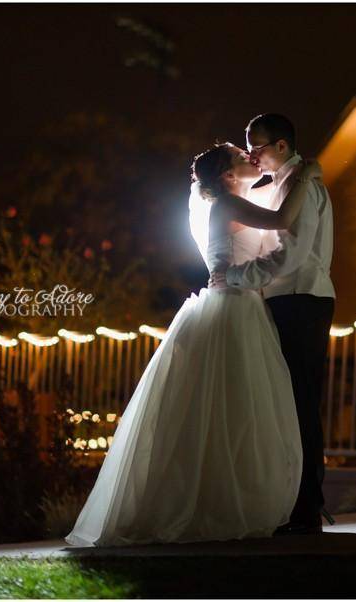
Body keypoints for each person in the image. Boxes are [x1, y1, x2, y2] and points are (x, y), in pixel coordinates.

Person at [65, 143, 321, 546]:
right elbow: (283, 217)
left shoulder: (234, 201)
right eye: (242, 158)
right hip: (232, 309)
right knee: (226, 407)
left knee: (235, 411)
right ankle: (212, 505)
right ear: (226, 176)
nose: (251, 160)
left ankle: (230, 497)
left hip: (240, 305)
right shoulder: (225, 205)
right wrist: (305, 175)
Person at [225, 114, 336, 535]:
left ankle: (307, 508)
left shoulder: (304, 187)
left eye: (259, 147)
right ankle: (294, 501)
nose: (253, 156)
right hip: (284, 298)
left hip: (301, 299)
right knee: (287, 403)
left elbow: (290, 256)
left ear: (283, 146)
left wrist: (239, 278)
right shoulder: (280, 185)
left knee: (301, 402)